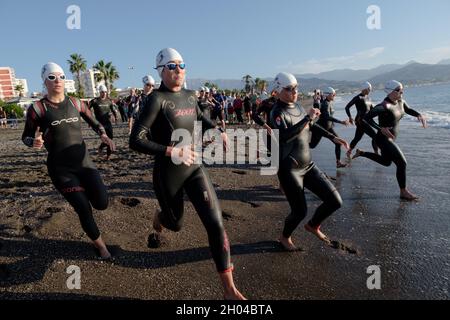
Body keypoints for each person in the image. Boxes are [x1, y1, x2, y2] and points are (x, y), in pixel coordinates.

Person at [129, 48, 246, 300]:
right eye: (172, 66)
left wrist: (219, 130)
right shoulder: (156, 99)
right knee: (176, 224)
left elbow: (202, 117)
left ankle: (229, 290)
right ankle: (159, 217)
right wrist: (171, 151)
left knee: (216, 224)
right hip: (168, 172)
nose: (178, 70)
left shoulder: (191, 96)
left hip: (194, 167)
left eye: (182, 65)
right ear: (161, 70)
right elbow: (135, 140)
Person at [21, 62, 115, 259]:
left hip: (85, 164)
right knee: (83, 208)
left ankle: (88, 194)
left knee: (102, 203)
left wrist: (104, 135)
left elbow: (95, 122)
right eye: (52, 77)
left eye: (61, 77)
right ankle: (101, 248)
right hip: (61, 170)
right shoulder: (37, 109)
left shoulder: (75, 103)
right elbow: (26, 137)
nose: (58, 81)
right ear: (45, 81)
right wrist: (34, 142)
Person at [269, 73, 349, 251]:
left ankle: (313, 225)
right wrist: (308, 118)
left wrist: (331, 137)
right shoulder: (276, 112)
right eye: (289, 89)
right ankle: (284, 237)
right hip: (289, 169)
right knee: (300, 211)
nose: (295, 91)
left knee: (335, 200)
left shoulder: (297, 106)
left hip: (308, 165)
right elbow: (283, 137)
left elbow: (310, 126)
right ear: (278, 90)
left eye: (296, 87)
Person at [352, 80, 427, 201]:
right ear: (390, 91)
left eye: (402, 89)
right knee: (402, 163)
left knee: (386, 162)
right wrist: (380, 128)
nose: (401, 92)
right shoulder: (383, 106)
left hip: (391, 139)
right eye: (398, 90)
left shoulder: (401, 102)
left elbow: (408, 110)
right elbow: (365, 118)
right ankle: (403, 191)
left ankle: (361, 153)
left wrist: (419, 115)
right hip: (383, 140)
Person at [309, 87, 350, 168]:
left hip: (329, 127)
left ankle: (338, 163)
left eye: (335, 94)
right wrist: (341, 122)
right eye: (333, 94)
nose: (334, 96)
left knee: (338, 143)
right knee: (312, 145)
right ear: (328, 95)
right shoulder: (325, 104)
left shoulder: (329, 102)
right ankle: (297, 147)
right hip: (320, 128)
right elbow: (327, 117)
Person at [345, 82, 378, 158]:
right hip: (360, 121)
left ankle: (349, 152)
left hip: (366, 121)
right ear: (365, 89)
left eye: (370, 89)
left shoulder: (368, 98)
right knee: (375, 136)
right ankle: (376, 153)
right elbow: (347, 107)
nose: (370, 90)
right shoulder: (358, 98)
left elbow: (372, 110)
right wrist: (350, 117)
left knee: (357, 138)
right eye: (369, 89)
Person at [89, 84, 118, 160]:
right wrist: (90, 121)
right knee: (105, 139)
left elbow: (114, 110)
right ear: (100, 92)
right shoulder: (95, 101)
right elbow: (87, 110)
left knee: (110, 138)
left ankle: (107, 156)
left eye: (105, 92)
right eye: (102, 92)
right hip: (99, 124)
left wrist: (116, 118)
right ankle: (101, 148)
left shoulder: (109, 101)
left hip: (108, 123)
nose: (104, 93)